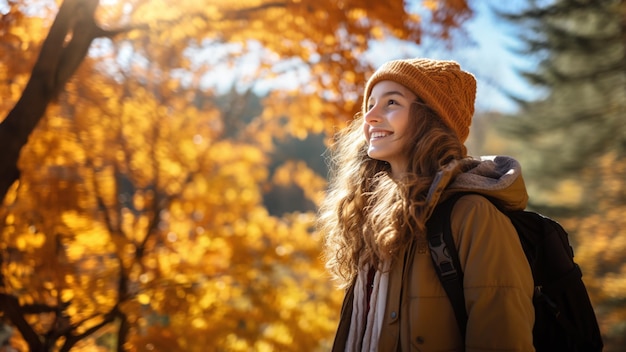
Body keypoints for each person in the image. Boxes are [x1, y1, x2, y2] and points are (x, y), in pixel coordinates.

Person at [317, 58, 535, 351]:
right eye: (370, 104)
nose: (369, 117)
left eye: (391, 103)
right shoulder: (369, 219)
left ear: (430, 119)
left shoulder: (472, 216)